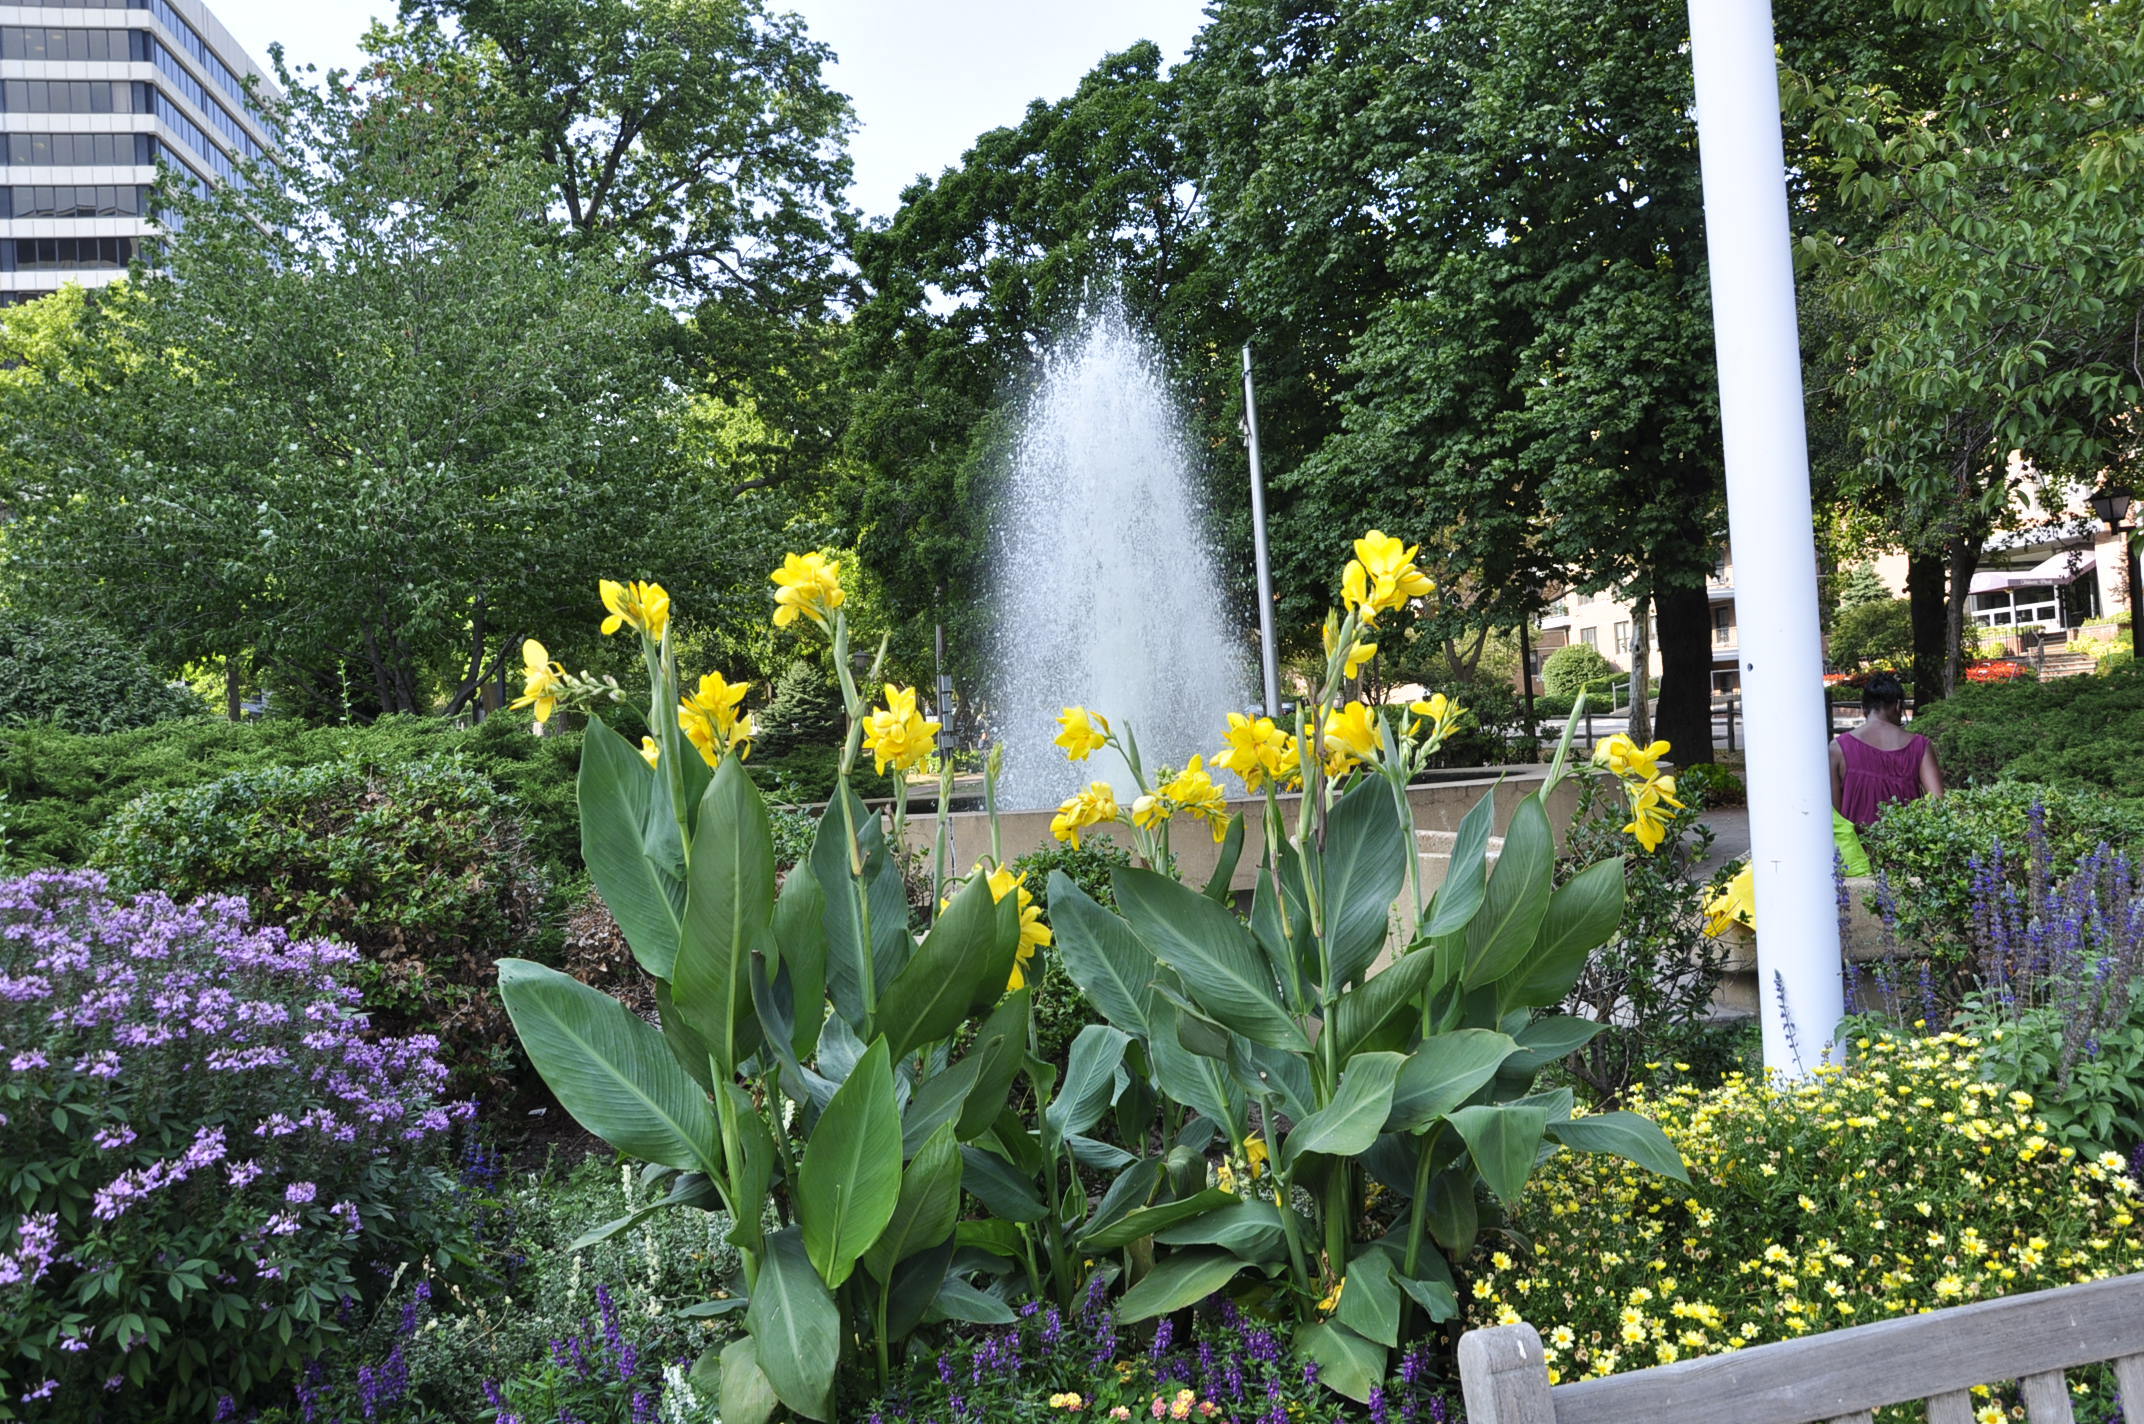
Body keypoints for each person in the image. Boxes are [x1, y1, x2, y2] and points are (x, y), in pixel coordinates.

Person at [1829, 671, 1943, 828]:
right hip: (1907, 849)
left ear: (1863, 709)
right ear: (1897, 706)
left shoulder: (1837, 748)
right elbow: (1938, 806)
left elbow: (1834, 818)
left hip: (1855, 850)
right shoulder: (1920, 746)